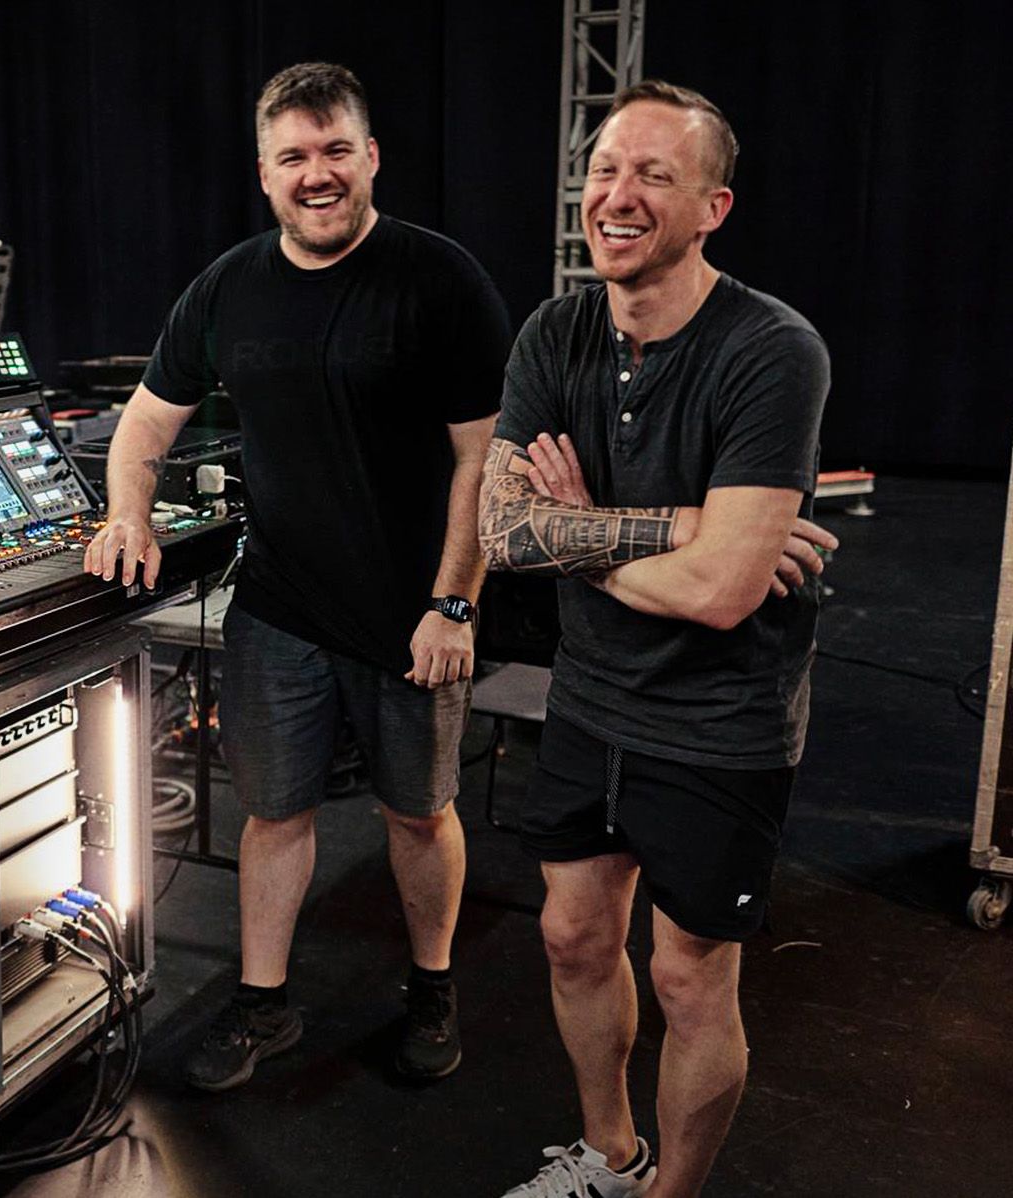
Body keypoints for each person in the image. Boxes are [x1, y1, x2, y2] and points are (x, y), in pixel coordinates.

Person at [84, 62, 510, 1091]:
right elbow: (145, 422)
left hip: (415, 611)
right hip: (278, 605)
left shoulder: (439, 278)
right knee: (274, 812)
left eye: (333, 152)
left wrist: (455, 602)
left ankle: (433, 985)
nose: (315, 175)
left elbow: (483, 461)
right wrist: (126, 513)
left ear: (370, 158)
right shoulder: (228, 286)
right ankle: (265, 1003)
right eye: (293, 158)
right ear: (266, 175)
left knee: (418, 812)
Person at [479, 81, 836, 1197]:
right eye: (604, 172)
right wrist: (674, 525)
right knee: (573, 939)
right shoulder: (556, 329)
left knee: (689, 979)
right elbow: (501, 528)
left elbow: (730, 590)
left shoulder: (772, 351)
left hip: (719, 719)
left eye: (653, 176)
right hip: (588, 698)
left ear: (712, 207)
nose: (617, 197)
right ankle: (609, 1154)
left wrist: (577, 532)